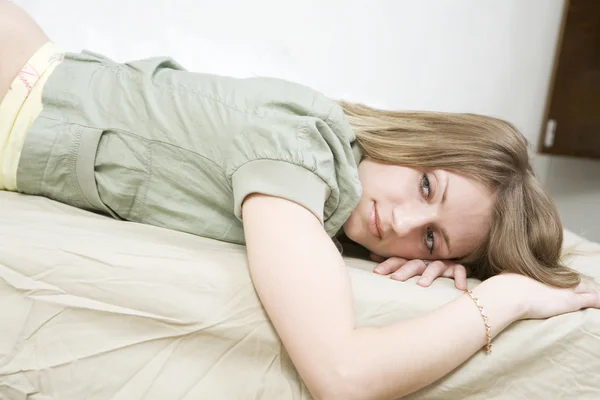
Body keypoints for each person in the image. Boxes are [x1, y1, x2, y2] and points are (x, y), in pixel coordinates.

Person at [1, 1, 598, 399]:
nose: (400, 223)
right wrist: (508, 298)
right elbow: (341, 372)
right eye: (425, 186)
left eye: (432, 236)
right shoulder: (297, 157)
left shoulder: (327, 184)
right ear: (420, 140)